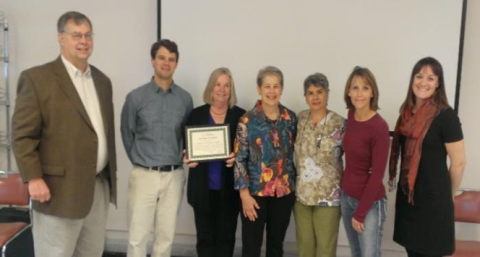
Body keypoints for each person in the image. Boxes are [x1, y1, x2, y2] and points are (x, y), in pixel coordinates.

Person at [11, 11, 117, 257]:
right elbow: (22, 135)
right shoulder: (38, 79)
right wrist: (33, 177)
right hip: (57, 192)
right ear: (61, 38)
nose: (84, 41)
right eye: (76, 35)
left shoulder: (102, 81)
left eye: (88, 35)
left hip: (97, 188)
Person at [120, 39, 193, 257]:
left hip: (174, 176)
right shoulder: (136, 97)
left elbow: (186, 135)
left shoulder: (184, 98)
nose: (166, 63)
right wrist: (140, 161)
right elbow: (127, 133)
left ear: (176, 64)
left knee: (165, 238)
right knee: (137, 238)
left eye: (171, 59)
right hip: (144, 175)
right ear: (152, 60)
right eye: (161, 58)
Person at [389, 57, 466, 257]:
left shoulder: (446, 116)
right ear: (412, 79)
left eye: (430, 78)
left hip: (434, 202)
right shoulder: (406, 114)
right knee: (412, 252)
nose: (424, 82)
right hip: (410, 199)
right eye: (419, 76)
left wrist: (449, 196)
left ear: (438, 83)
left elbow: (459, 163)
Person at [234, 66, 297, 257]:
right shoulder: (246, 121)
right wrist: (244, 196)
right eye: (267, 86)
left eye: (276, 86)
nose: (271, 91)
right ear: (259, 89)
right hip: (254, 195)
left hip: (283, 194)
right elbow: (239, 159)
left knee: (276, 246)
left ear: (282, 89)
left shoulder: (290, 118)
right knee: (251, 248)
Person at [183, 67, 245, 257]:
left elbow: (247, 151)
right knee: (205, 239)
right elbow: (185, 148)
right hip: (202, 190)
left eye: (227, 85)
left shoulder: (240, 116)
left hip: (229, 190)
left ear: (231, 89)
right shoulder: (196, 114)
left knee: (226, 240)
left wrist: (237, 156)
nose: (222, 89)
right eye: (218, 84)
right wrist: (186, 158)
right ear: (211, 87)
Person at [294, 73, 346, 257]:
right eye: (310, 93)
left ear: (327, 94)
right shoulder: (300, 120)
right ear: (305, 96)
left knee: (325, 249)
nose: (315, 97)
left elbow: (355, 155)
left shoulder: (340, 123)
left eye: (320, 92)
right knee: (305, 248)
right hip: (302, 197)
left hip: (328, 198)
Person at [340, 66, 390, 257]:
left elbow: (377, 175)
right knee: (356, 253)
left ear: (372, 93)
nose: (359, 93)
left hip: (369, 204)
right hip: (347, 198)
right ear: (348, 91)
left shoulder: (379, 127)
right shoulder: (351, 116)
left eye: (365, 88)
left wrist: (361, 212)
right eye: (355, 87)